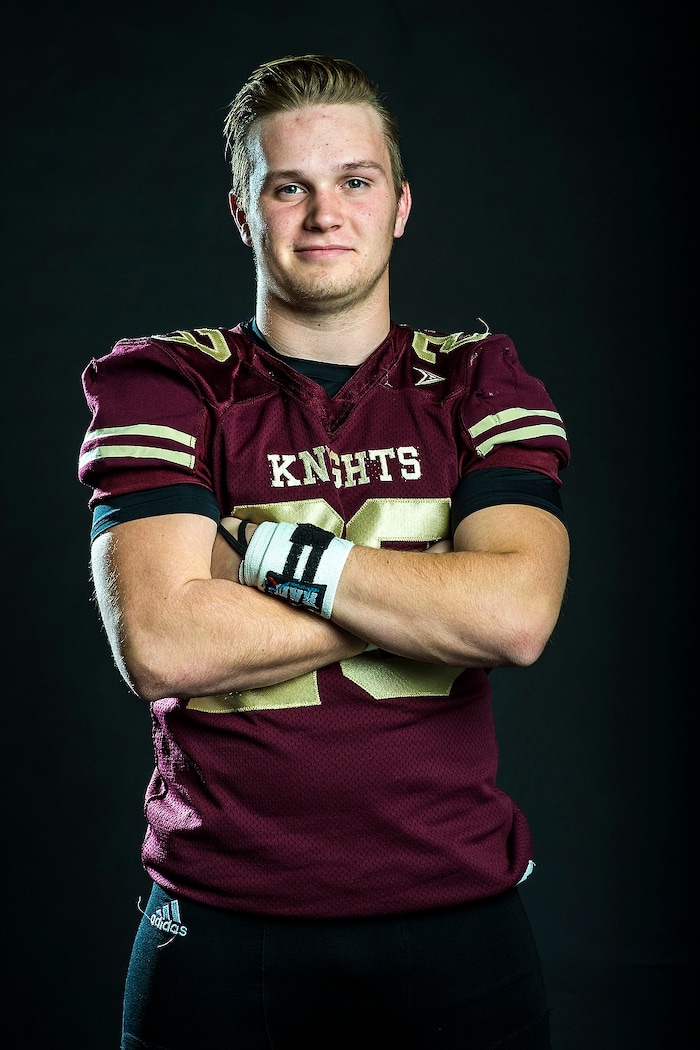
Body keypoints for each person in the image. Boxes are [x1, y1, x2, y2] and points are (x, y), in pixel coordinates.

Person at [78, 54, 570, 1050]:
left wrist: (257, 552)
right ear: (241, 211)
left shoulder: (476, 378)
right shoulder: (168, 383)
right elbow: (163, 641)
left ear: (398, 205)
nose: (322, 213)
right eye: (287, 186)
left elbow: (514, 618)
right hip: (221, 919)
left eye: (354, 180)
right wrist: (430, 590)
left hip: (456, 910)